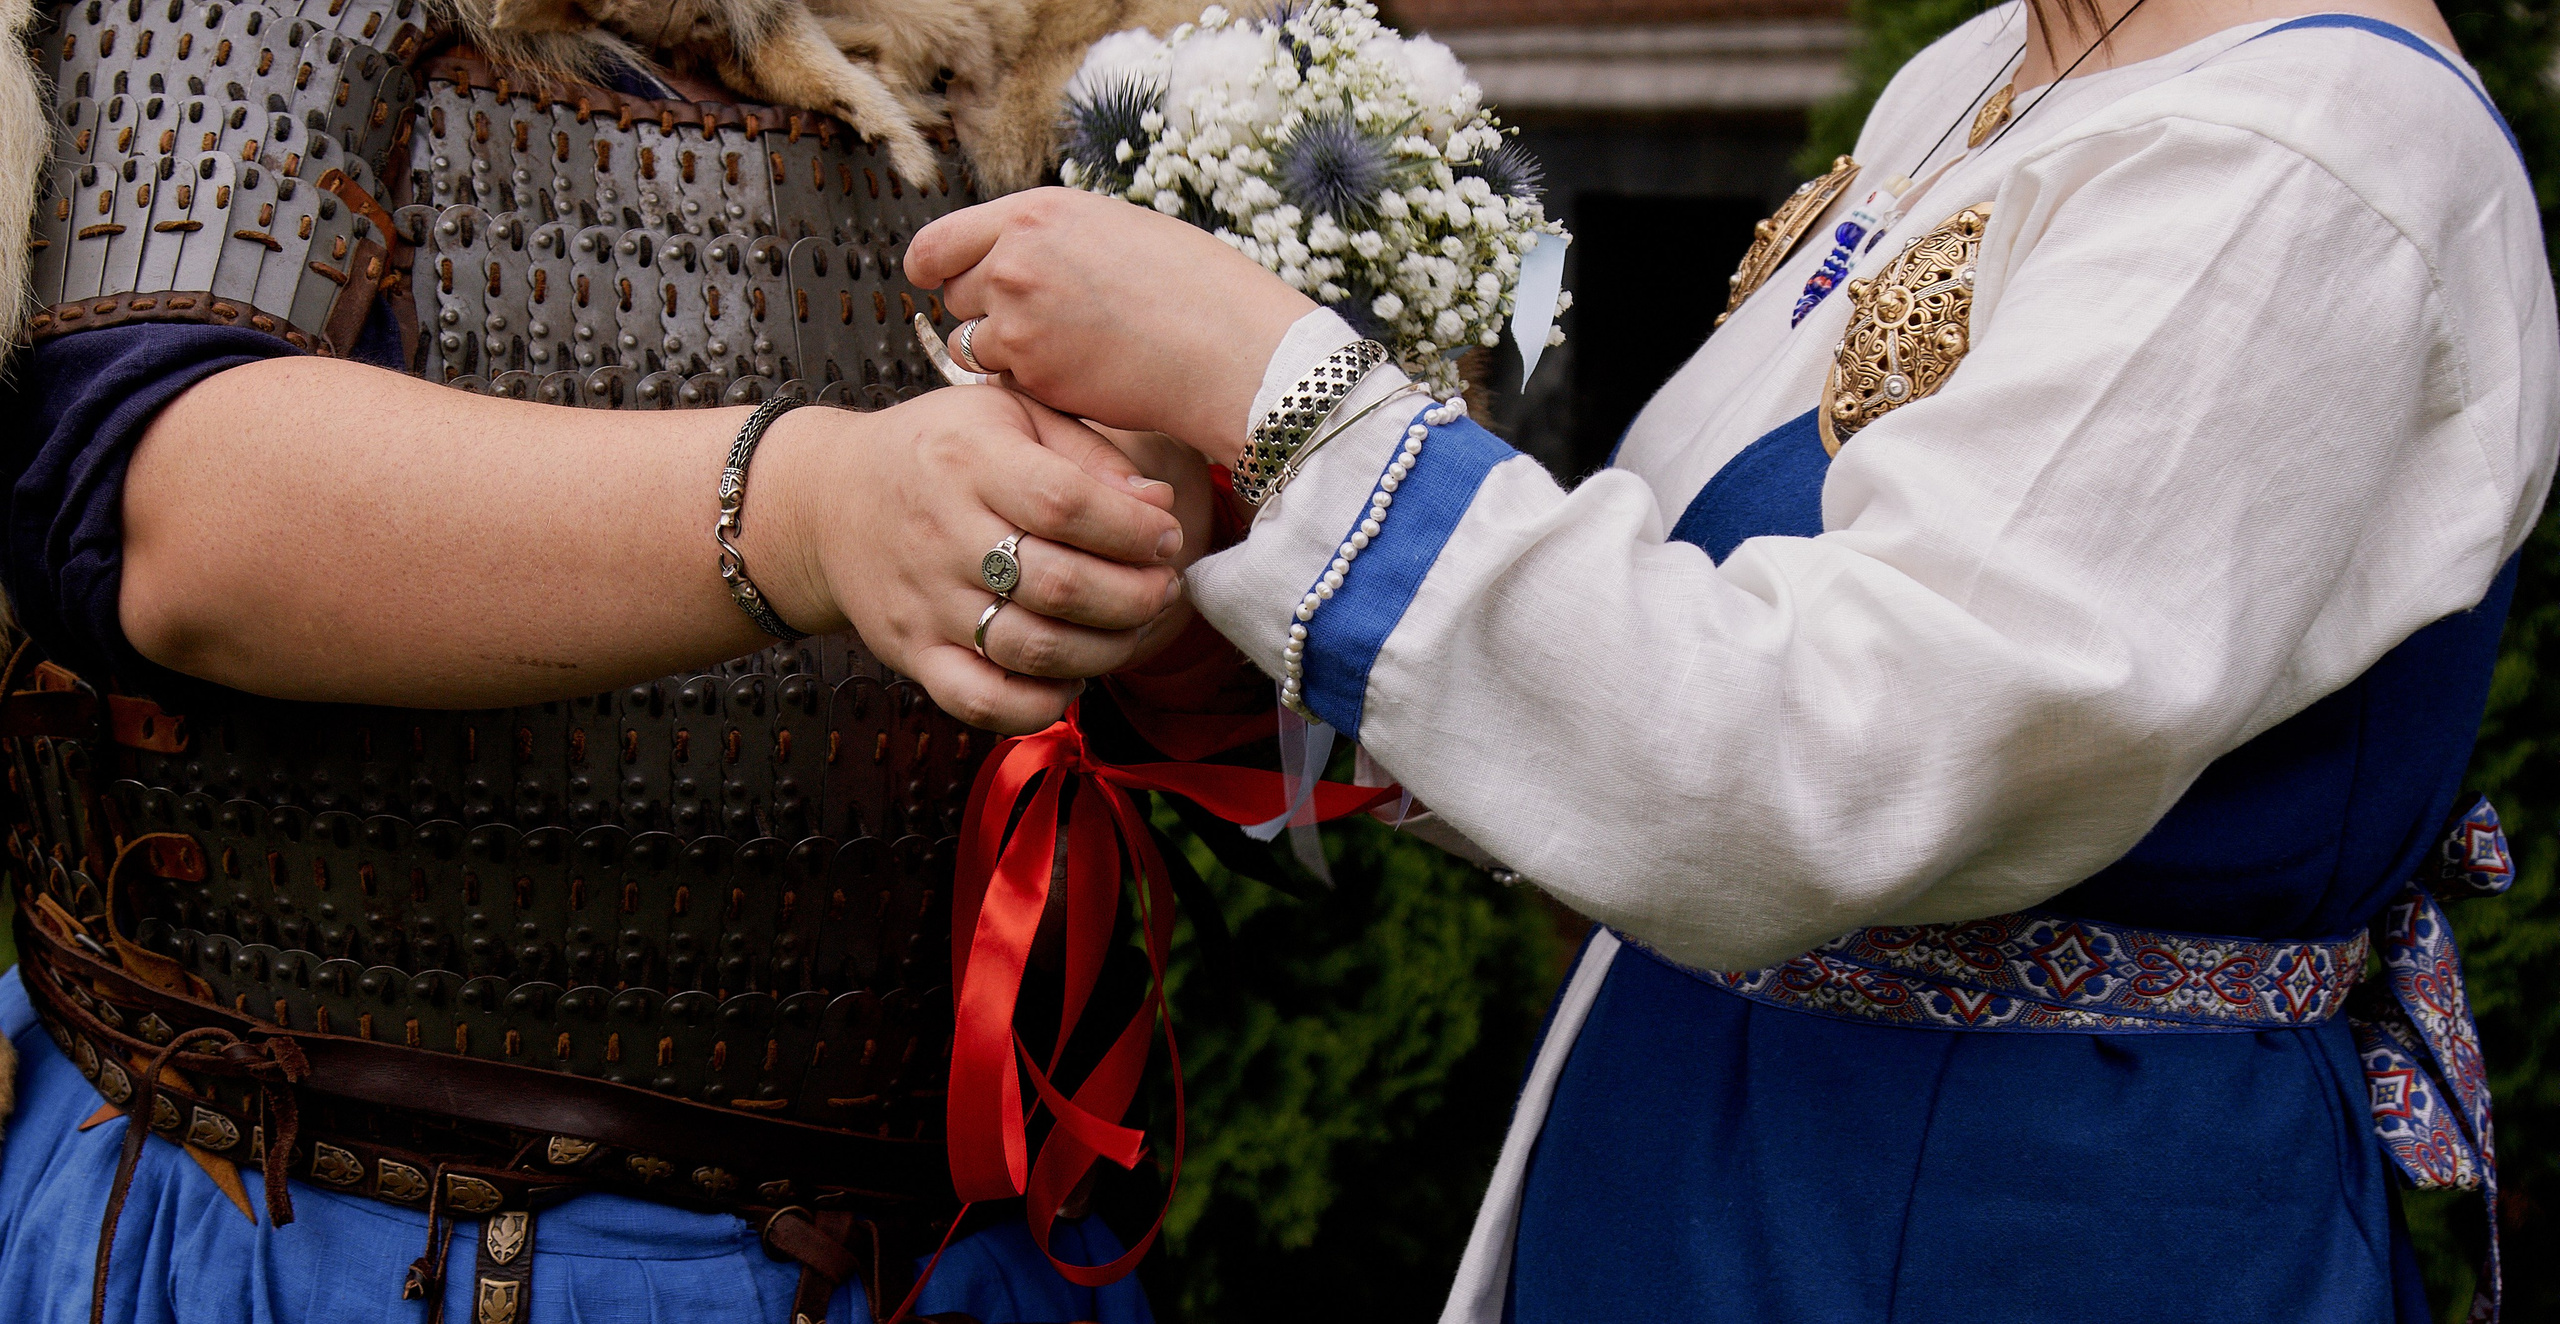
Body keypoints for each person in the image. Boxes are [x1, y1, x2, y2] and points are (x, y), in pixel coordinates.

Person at [904, 0, 2560, 1317]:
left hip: (2007, 1217)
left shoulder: (2318, 160)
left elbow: (1819, 763)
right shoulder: (1991, 72)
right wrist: (1235, 607)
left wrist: (1274, 386)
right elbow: (1687, 653)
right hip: (1714, 1156)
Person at [0, 2, 1201, 1321]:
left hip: (963, 1247)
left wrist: (1165, 552)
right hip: (355, 1232)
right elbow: (166, 509)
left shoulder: (1109, 32)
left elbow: (1211, 701)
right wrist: (801, 509)